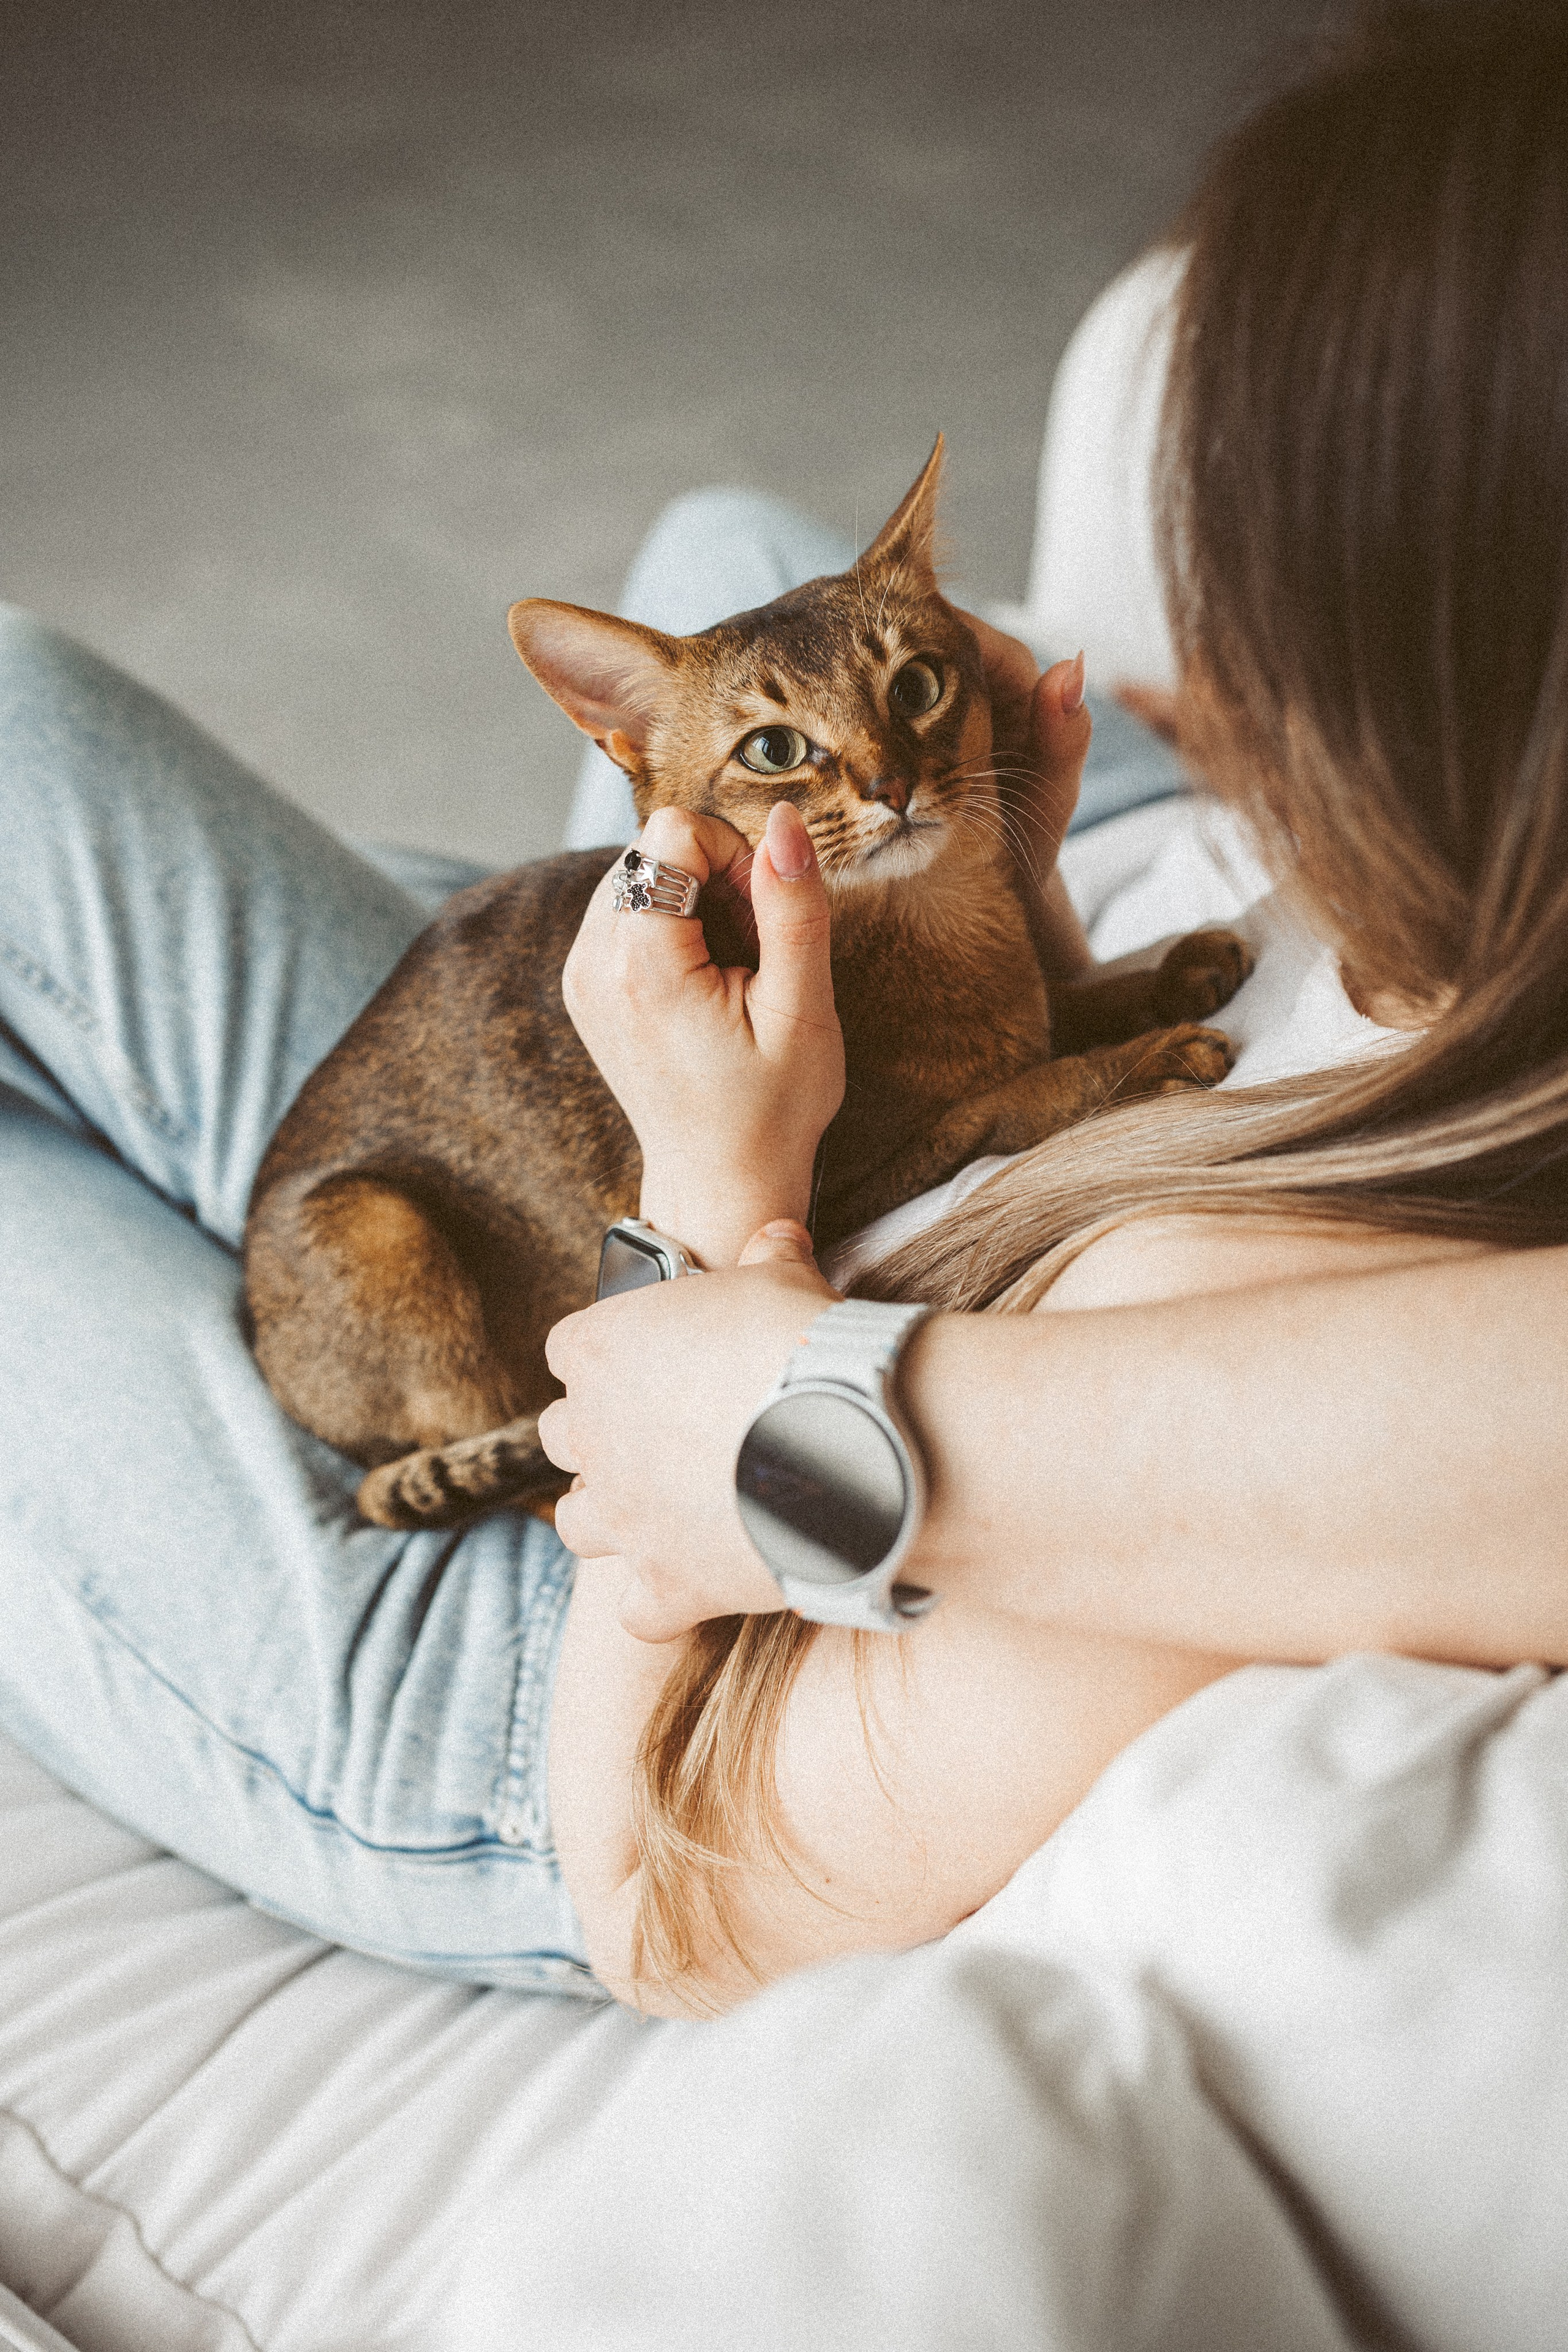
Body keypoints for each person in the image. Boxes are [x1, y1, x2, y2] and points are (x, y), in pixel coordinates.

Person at [0, 0, 1562, 2021]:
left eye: (1244, 578)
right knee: (728, 551)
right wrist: (1029, 904)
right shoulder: (1470, 972)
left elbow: (674, 1897)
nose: (1197, 652)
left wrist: (715, 1196)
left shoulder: (1299, 1344)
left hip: (580, 1625)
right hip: (779, 1164)